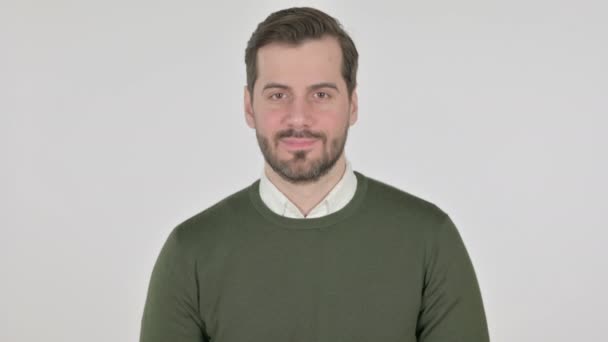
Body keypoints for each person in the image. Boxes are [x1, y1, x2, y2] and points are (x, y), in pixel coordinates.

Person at [140, 7, 489, 342]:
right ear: (249, 107)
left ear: (352, 105)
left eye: (321, 94)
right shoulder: (190, 252)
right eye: (278, 95)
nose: (298, 118)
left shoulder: (430, 239)